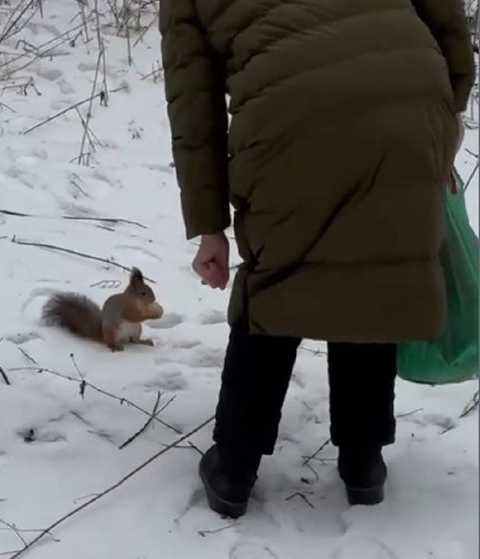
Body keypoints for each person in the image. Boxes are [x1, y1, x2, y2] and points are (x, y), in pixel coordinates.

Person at [159, 0, 475, 518]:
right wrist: (444, 114)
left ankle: (234, 469)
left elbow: (193, 107)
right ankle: (363, 461)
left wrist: (209, 224)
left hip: (288, 110)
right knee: (377, 260)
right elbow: (444, 18)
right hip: (409, 91)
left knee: (281, 276)